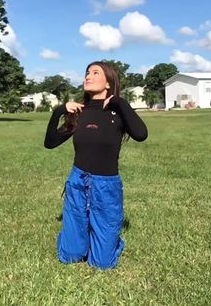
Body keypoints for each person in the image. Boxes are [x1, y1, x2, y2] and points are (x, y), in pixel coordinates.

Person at [44, 61, 148, 269]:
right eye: (86, 73)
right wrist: (58, 111)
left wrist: (120, 102)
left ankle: (109, 241)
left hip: (106, 187)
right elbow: (50, 143)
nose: (87, 77)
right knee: (70, 256)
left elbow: (141, 134)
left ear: (108, 82)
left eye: (95, 73)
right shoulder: (79, 113)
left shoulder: (117, 112)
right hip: (77, 182)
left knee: (102, 264)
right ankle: (80, 234)